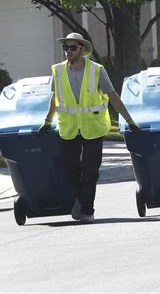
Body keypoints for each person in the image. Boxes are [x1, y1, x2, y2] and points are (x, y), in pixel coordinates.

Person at [39, 32, 140, 224]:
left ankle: (87, 210)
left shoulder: (97, 70)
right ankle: (81, 198)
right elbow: (55, 99)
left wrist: (129, 120)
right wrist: (47, 121)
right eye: (66, 48)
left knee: (90, 171)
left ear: (82, 49)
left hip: (93, 127)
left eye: (72, 47)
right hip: (69, 128)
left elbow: (113, 96)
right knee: (70, 171)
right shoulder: (58, 71)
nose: (68, 51)